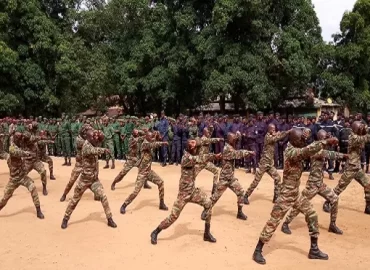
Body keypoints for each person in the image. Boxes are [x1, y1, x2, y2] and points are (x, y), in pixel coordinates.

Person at [252, 128, 338, 265]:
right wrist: (324, 141)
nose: (303, 142)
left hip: (295, 194)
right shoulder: (291, 152)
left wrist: (307, 133)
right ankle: (257, 250)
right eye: (300, 140)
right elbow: (306, 151)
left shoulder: (297, 145)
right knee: (273, 222)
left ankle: (314, 249)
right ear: (294, 141)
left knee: (312, 214)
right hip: (286, 194)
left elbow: (307, 144)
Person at [150, 139, 221, 245]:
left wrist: (210, 151)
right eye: (193, 145)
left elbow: (201, 145)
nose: (195, 146)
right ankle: (155, 232)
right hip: (183, 195)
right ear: (190, 148)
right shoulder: (186, 158)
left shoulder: (192, 152)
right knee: (173, 217)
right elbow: (200, 158)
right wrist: (214, 156)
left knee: (209, 204)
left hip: (192, 192)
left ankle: (206, 233)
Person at [281, 129, 347, 235]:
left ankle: (332, 225)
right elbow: (328, 154)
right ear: (321, 139)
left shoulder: (320, 146)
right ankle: (286, 223)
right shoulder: (316, 150)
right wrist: (343, 156)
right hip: (312, 185)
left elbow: (328, 149)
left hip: (319, 184)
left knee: (334, 199)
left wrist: (331, 142)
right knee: (300, 205)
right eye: (325, 138)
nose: (327, 139)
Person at [61, 129, 116, 229]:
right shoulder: (86, 146)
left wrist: (100, 137)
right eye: (92, 137)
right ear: (87, 138)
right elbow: (94, 151)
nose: (94, 138)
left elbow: (98, 141)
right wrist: (104, 149)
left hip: (94, 180)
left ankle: (109, 219)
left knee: (103, 197)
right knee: (75, 200)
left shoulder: (92, 143)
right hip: (84, 180)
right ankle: (65, 218)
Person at [202, 132, 255, 221]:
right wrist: (248, 152)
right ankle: (206, 210)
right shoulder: (227, 149)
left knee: (241, 192)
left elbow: (237, 141)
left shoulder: (231, 145)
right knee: (215, 197)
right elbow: (238, 154)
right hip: (224, 179)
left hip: (231, 178)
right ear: (229, 140)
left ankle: (239, 212)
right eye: (233, 139)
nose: (235, 140)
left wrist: (239, 136)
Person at [323, 121, 370, 215]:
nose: (362, 129)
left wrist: (365, 127)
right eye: (360, 127)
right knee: (340, 188)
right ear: (356, 129)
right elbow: (367, 138)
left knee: (368, 185)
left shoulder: (359, 135)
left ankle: (368, 207)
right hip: (350, 168)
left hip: (357, 167)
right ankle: (327, 203)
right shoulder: (353, 137)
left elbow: (366, 132)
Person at [119, 131, 168, 214]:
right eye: (150, 137)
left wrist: (156, 136)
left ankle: (161, 203)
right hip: (142, 173)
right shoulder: (145, 144)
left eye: (152, 137)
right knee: (136, 192)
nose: (152, 138)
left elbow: (153, 142)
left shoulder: (149, 141)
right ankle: (124, 205)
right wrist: (163, 143)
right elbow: (152, 145)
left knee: (161, 182)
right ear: (146, 137)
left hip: (148, 172)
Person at [0, 132, 44, 219]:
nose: (21, 140)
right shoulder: (12, 147)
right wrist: (26, 154)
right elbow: (16, 152)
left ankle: (38, 210)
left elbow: (31, 139)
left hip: (22, 177)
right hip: (14, 179)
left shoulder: (21, 144)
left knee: (33, 188)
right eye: (19, 139)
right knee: (5, 198)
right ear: (15, 139)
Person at [244, 124, 290, 204]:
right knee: (256, 181)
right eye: (273, 130)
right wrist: (288, 132)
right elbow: (277, 137)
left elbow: (278, 134)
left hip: (269, 164)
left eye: (274, 129)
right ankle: (246, 196)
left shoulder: (272, 135)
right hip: (264, 163)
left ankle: (276, 197)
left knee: (277, 178)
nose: (274, 131)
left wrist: (283, 132)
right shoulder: (268, 137)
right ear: (269, 130)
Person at [60, 124, 92, 202]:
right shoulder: (79, 139)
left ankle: (97, 194)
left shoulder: (88, 139)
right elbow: (86, 145)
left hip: (87, 164)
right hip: (79, 164)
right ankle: (64, 194)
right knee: (72, 180)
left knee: (92, 179)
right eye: (87, 131)